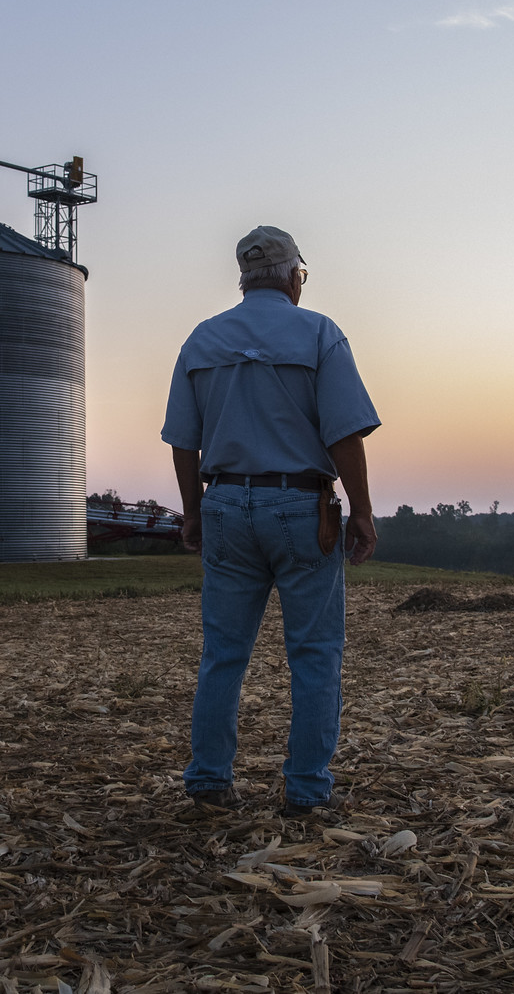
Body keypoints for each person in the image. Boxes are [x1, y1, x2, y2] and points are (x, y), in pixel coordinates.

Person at [161, 226, 380, 815]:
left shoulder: (202, 340)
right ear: (294, 278)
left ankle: (209, 781)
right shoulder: (319, 334)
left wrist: (192, 511)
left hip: (225, 503)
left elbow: (184, 443)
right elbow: (344, 434)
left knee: (223, 653)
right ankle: (306, 790)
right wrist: (360, 511)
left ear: (242, 277)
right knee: (314, 655)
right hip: (300, 507)